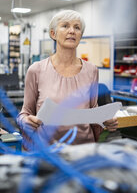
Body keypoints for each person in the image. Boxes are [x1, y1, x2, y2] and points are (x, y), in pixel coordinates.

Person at [17, 10, 118, 147]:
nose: (72, 31)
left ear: (80, 35)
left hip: (83, 150)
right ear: (53, 34)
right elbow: (24, 113)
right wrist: (26, 122)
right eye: (65, 26)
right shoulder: (36, 70)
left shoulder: (91, 70)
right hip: (47, 152)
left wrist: (105, 120)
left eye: (77, 28)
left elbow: (94, 109)